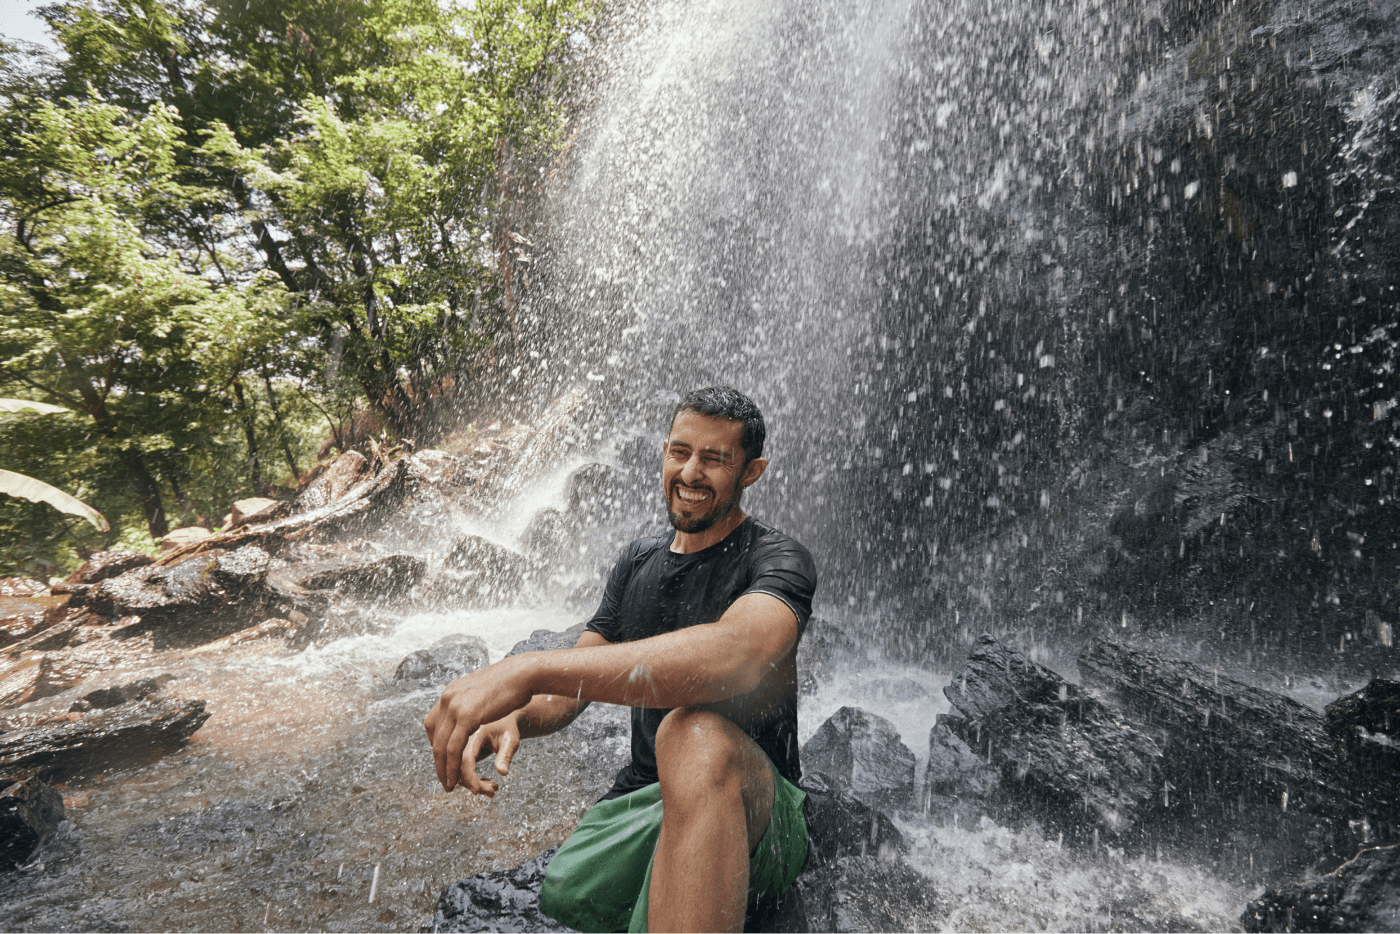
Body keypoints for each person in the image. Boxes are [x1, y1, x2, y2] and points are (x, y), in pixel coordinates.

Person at [423, 386, 818, 934]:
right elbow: (568, 693)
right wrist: (514, 716)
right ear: (663, 453)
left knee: (691, 732)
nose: (691, 472)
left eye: (715, 459)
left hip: (760, 805)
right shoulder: (638, 562)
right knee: (566, 888)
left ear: (751, 472)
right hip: (644, 800)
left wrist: (527, 666)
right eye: (680, 452)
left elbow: (739, 656)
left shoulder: (777, 559)